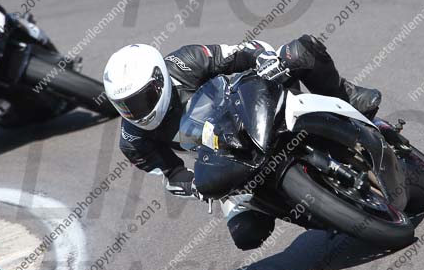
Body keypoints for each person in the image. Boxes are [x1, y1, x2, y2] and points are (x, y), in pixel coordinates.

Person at [103, 34, 382, 251]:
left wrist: (266, 61)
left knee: (301, 50)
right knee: (246, 234)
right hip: (223, 155)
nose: (136, 112)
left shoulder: (185, 61)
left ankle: (347, 96)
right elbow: (172, 174)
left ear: (159, 77)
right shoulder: (133, 140)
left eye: (141, 99)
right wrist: (193, 185)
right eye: (125, 106)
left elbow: (245, 51)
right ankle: (324, 211)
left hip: (253, 106)